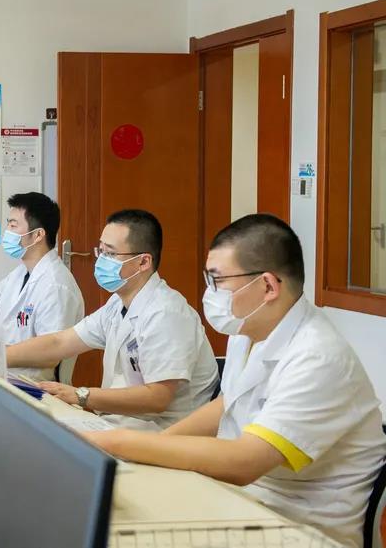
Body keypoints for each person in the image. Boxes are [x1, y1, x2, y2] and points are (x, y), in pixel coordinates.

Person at [86, 214, 386, 547]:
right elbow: (227, 403)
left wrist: (118, 443)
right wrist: (151, 448)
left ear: (268, 286)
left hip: (297, 525)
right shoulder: (248, 331)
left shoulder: (318, 357)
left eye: (218, 280)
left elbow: (246, 461)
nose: (210, 293)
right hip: (241, 499)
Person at [6, 209, 217, 430]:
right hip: (121, 423)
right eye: (101, 251)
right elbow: (60, 342)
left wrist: (81, 395)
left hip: (163, 431)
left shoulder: (167, 313)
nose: (101, 261)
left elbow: (157, 398)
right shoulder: (117, 304)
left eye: (111, 254)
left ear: (143, 262)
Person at [0, 192, 83, 382]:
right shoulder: (21, 272)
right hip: (2, 375)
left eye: (13, 225)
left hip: (32, 387)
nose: (7, 232)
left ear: (38, 235)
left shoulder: (56, 286)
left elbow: (50, 355)